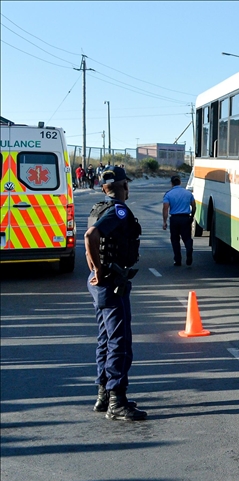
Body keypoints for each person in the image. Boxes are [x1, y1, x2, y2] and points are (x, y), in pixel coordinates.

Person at [84, 165, 146, 421]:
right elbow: (91, 236)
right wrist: (99, 269)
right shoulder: (118, 210)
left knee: (105, 339)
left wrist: (94, 270)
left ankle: (103, 395)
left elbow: (90, 239)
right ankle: (116, 401)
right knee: (120, 341)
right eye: (127, 184)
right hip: (111, 282)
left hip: (101, 282)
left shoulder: (97, 208)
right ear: (122, 187)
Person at [162, 175, 196, 266]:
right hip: (185, 218)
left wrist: (164, 222)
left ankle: (178, 259)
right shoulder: (188, 193)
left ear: (172, 183)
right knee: (187, 238)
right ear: (180, 182)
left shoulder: (168, 194)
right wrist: (192, 216)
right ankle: (189, 250)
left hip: (175, 219)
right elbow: (194, 205)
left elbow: (165, 208)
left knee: (175, 239)